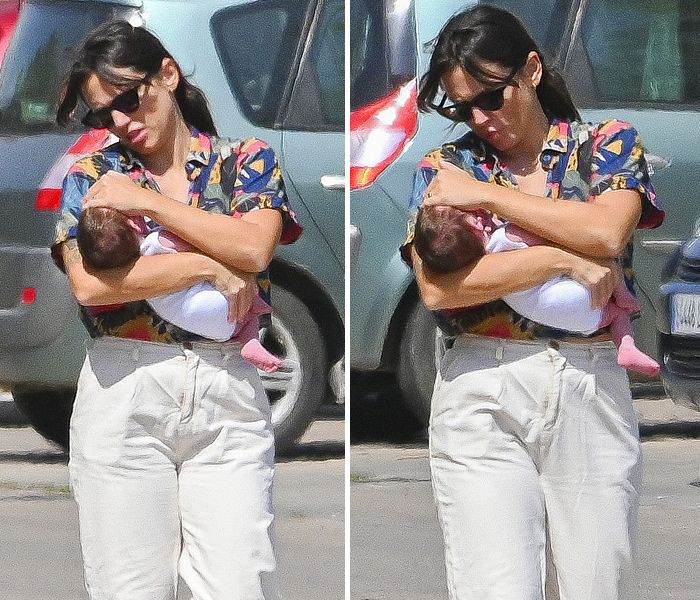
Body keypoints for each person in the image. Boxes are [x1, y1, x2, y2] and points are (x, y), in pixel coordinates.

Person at [401, 5, 664, 600]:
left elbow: (606, 234)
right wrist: (556, 259)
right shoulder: (446, 168)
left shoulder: (607, 146)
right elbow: (439, 287)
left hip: (589, 385)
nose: (479, 118)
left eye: (491, 98)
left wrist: (489, 200)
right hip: (480, 383)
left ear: (532, 70)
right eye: (461, 107)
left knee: (597, 584)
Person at [51, 20, 301, 600]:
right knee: (130, 589)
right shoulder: (90, 177)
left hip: (227, 391)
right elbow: (91, 285)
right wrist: (203, 266)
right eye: (100, 115)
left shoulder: (246, 161)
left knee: (240, 584)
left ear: (167, 73)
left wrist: (144, 203)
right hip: (125, 387)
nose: (118, 122)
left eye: (128, 99)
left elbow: (253, 246)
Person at [413, 202, 660, 376]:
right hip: (573, 299)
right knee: (603, 262)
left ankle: (625, 340)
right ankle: (626, 319)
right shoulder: (508, 235)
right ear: (478, 223)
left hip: (564, 315)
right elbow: (550, 235)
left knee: (612, 314)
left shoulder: (484, 262)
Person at [76, 205, 282, 372]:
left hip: (194, 320)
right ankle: (251, 338)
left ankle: (249, 340)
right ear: (134, 224)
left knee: (238, 315)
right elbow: (199, 244)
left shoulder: (133, 268)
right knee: (245, 299)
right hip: (216, 308)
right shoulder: (157, 242)